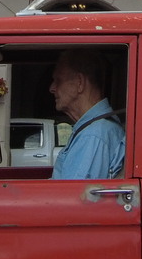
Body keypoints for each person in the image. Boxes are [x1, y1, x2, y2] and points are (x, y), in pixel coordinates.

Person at [48, 49, 125, 179]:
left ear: (80, 82)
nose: (52, 88)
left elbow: (74, 190)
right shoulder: (96, 129)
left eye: (58, 80)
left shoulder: (93, 135)